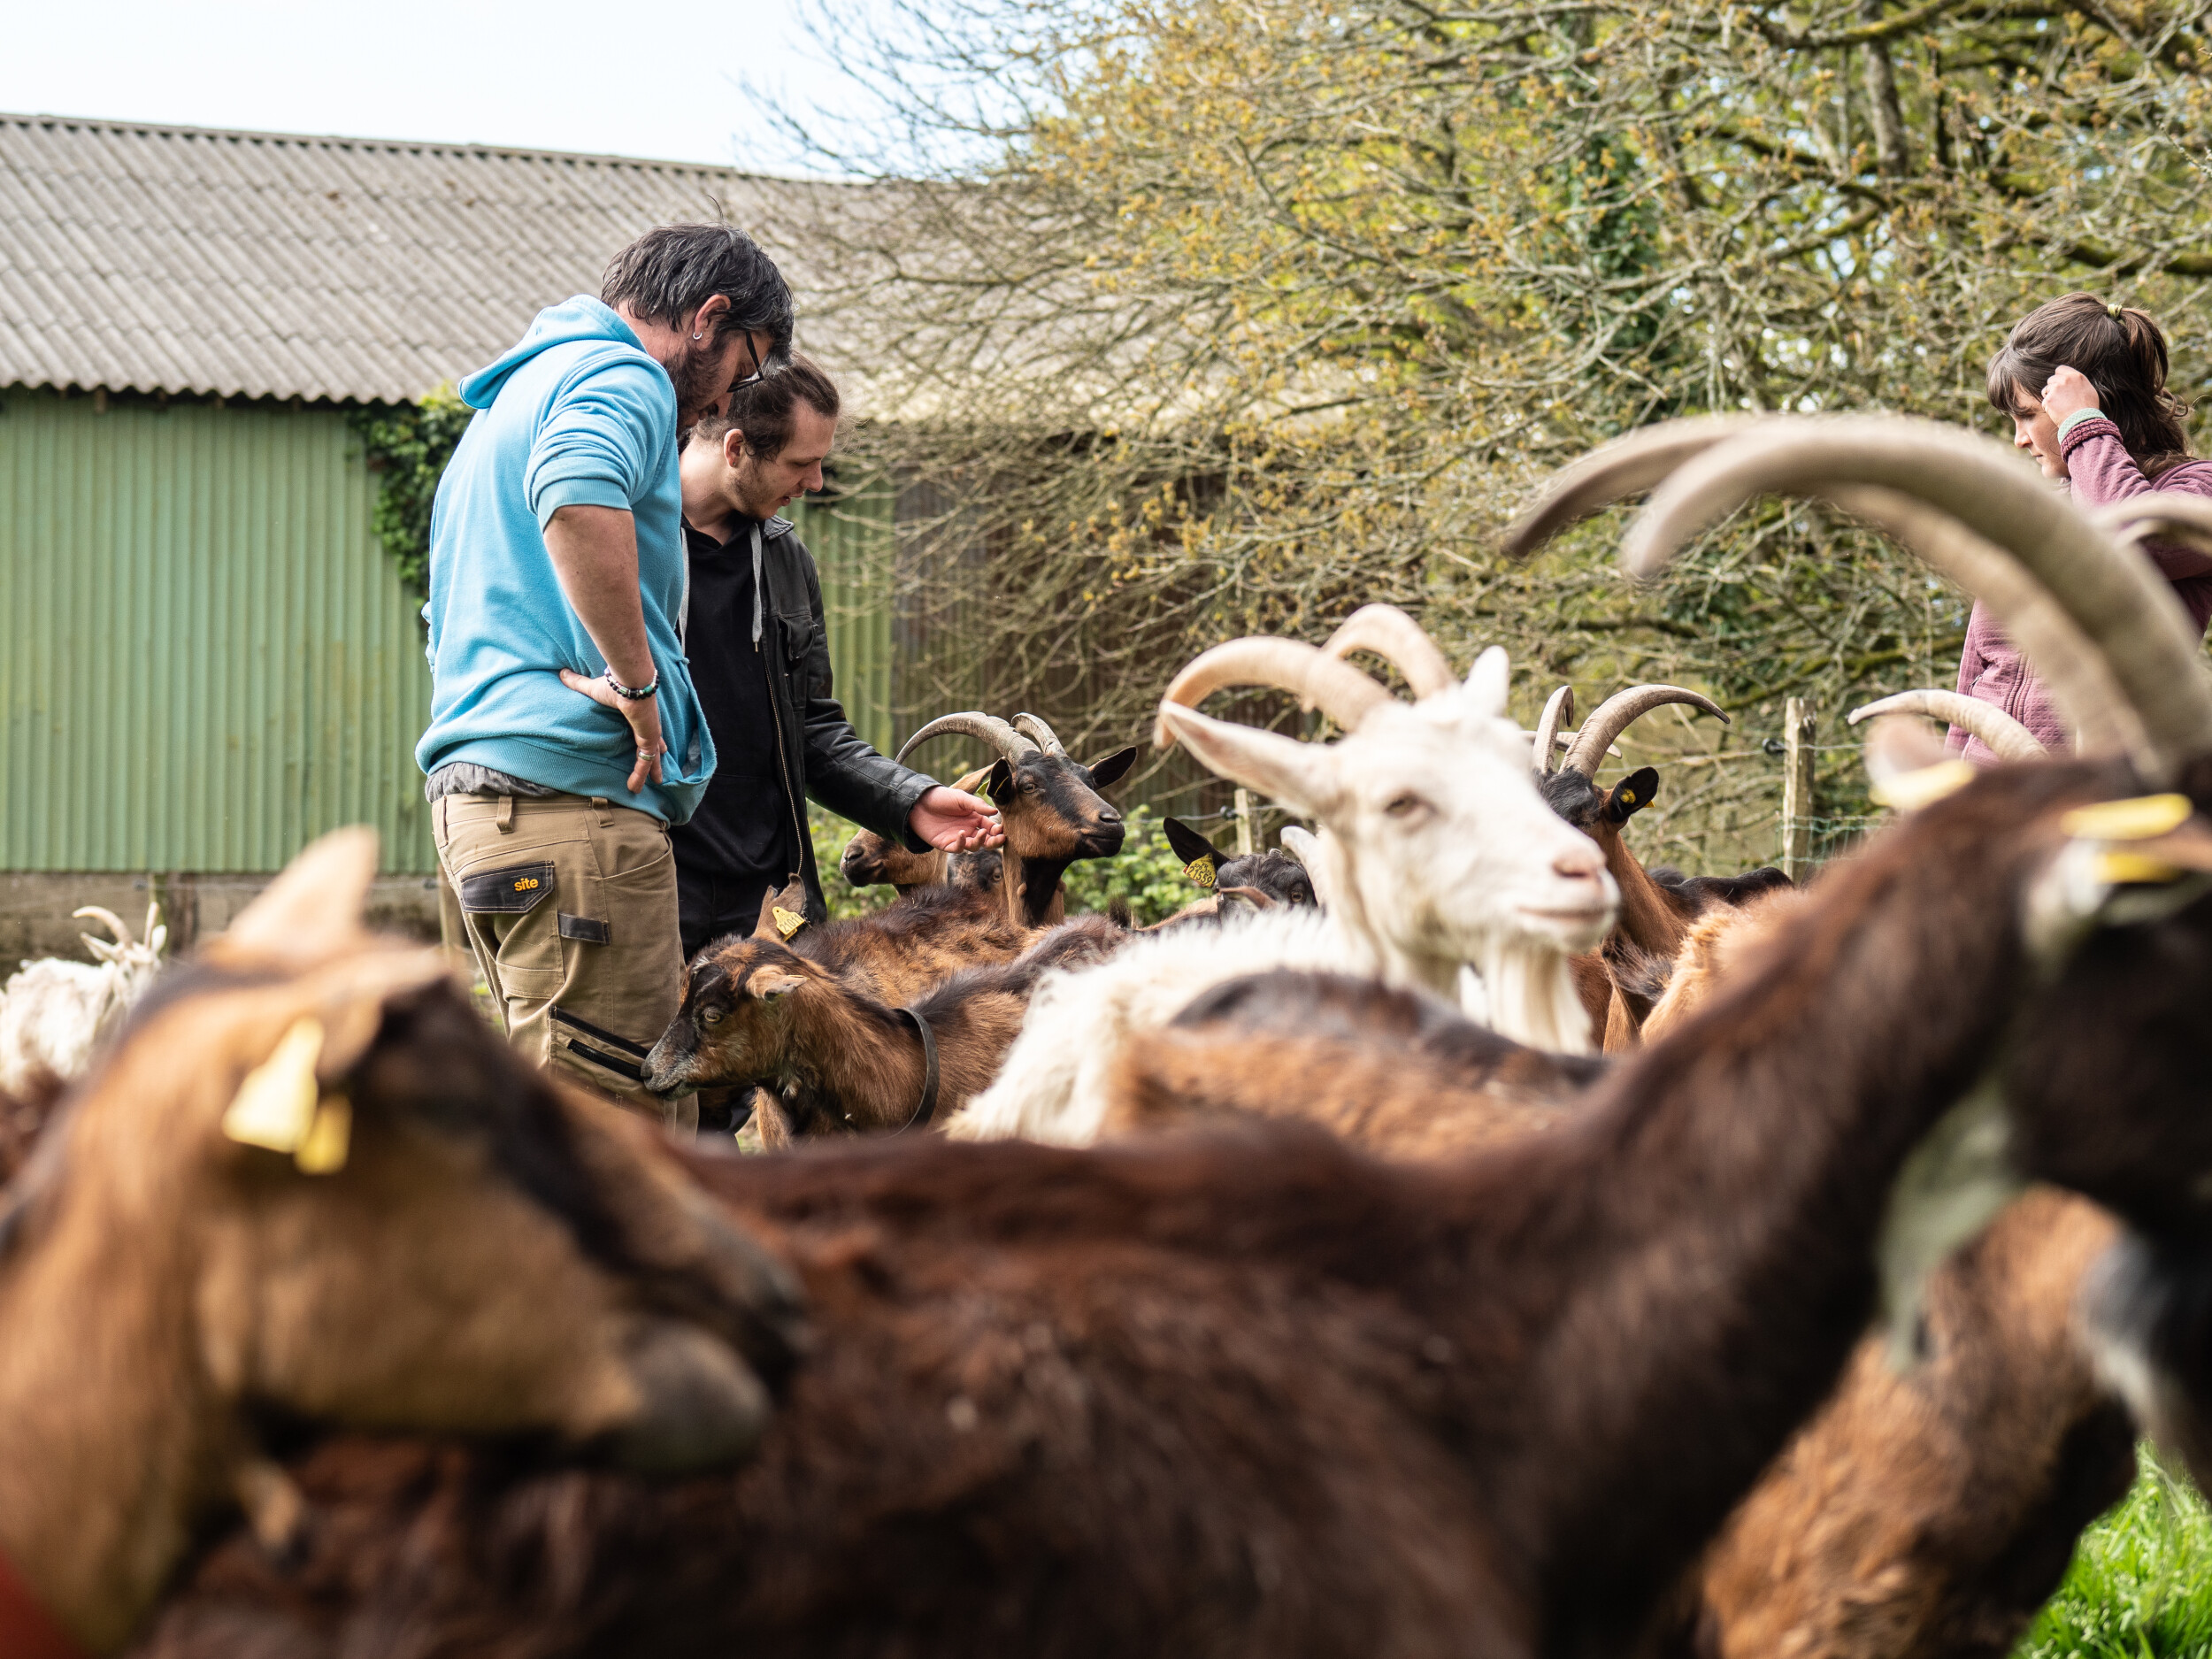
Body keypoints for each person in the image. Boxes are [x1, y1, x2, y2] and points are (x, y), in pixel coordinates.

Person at [419, 224, 791, 1105]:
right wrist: (637, 685)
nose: (724, 401)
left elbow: (442, 615)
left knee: (532, 1133)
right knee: (619, 1142)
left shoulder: (509, 403)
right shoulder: (619, 375)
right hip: (570, 812)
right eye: (744, 365)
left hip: (481, 808)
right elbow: (578, 492)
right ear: (708, 319)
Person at [672, 355, 1001, 961]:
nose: (817, 482)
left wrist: (913, 800)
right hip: (654, 890)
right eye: (802, 463)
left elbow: (814, 731)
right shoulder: (627, 539)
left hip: (772, 907)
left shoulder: (786, 559)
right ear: (736, 448)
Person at [1967, 292, 2212, 759]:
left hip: (2100, 799)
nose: (2019, 440)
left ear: (2091, 402)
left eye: (2027, 415)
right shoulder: (2035, 512)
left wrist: (2083, 424)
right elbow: (1977, 674)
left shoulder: (2197, 493)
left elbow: (2128, 544)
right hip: (1995, 799)